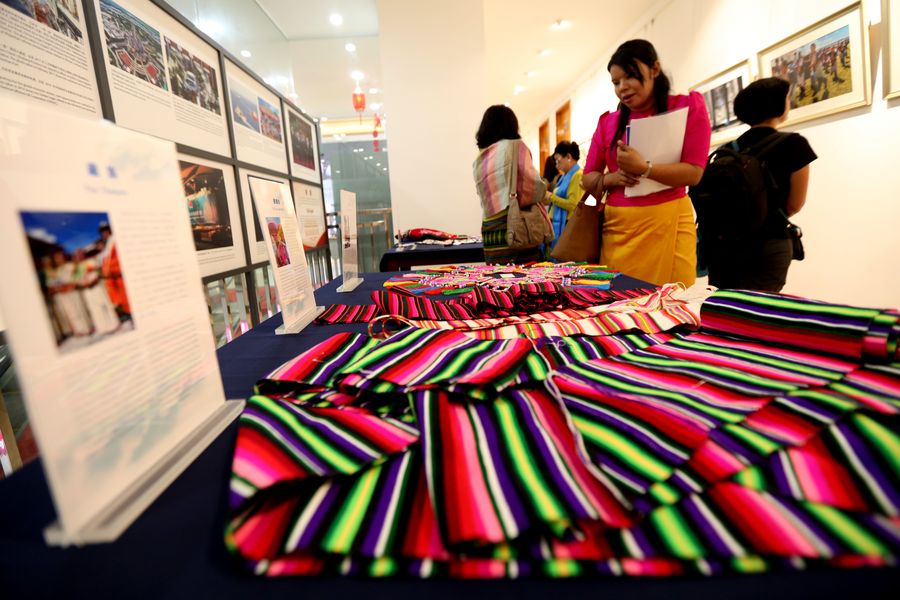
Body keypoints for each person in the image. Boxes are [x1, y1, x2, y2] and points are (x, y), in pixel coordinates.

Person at [582, 39, 711, 286]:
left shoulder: (687, 107)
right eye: (616, 82)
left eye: (630, 76)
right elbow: (588, 178)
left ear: (655, 69)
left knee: (673, 301)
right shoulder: (608, 122)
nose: (622, 87)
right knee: (620, 301)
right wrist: (611, 179)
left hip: (670, 222)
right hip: (619, 229)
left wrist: (645, 168)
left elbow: (694, 173)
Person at [706, 77, 816, 292]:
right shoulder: (794, 143)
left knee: (727, 305)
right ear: (777, 105)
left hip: (725, 246)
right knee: (759, 308)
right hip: (769, 242)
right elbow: (795, 204)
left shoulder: (727, 150)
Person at [473, 105, 547, 264]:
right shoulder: (516, 147)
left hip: (490, 230)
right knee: (522, 276)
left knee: (496, 276)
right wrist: (544, 191)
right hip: (514, 227)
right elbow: (533, 187)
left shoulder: (480, 159)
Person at [543, 141, 583, 251]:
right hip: (559, 222)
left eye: (558, 159)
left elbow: (573, 204)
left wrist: (551, 197)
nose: (557, 164)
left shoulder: (578, 175)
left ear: (568, 157)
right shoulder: (564, 177)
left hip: (567, 224)